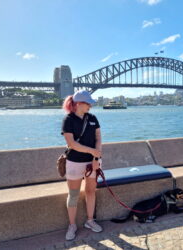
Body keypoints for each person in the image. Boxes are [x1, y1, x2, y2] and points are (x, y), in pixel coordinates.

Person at [61, 90, 102, 241]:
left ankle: (90, 221)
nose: (91, 105)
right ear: (79, 104)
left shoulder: (93, 118)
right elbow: (71, 144)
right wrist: (92, 151)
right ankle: (72, 225)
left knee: (91, 191)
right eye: (88, 103)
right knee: (73, 194)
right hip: (74, 161)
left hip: (92, 161)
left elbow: (98, 138)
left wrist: (96, 157)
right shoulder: (68, 120)